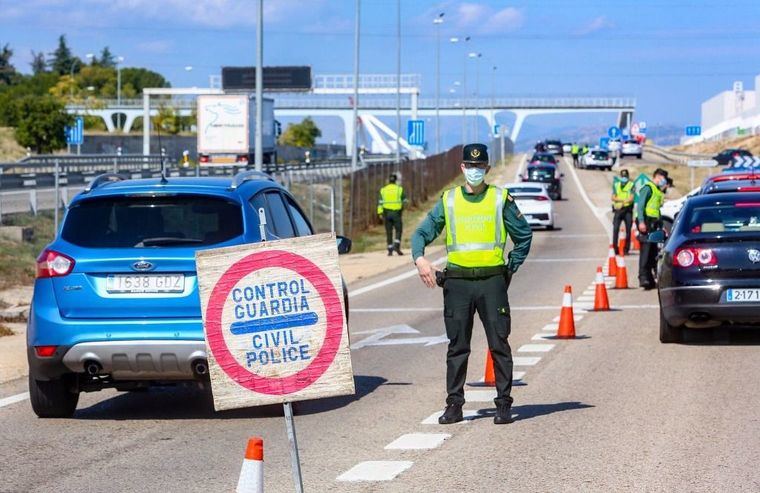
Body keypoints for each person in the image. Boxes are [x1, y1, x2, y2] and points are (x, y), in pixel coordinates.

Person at [411, 143, 533, 425]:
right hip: (458, 284)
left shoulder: (500, 198)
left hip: (492, 282)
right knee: (457, 347)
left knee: (499, 344)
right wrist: (419, 259)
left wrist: (509, 269)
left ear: (487, 169)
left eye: (480, 167)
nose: (475, 171)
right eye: (470, 166)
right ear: (462, 168)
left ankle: (503, 404)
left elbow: (524, 236)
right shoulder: (449, 200)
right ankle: (454, 404)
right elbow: (421, 233)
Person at [637, 168, 672, 289]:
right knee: (646, 251)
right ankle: (643, 278)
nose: (663, 181)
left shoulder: (657, 190)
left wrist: (662, 226)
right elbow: (640, 206)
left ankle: (650, 279)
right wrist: (641, 222)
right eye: (663, 178)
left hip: (654, 223)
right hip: (646, 222)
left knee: (653, 252)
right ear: (657, 176)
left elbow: (657, 210)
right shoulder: (648, 188)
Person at [377, 174, 406, 256]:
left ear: (388, 180)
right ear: (395, 180)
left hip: (386, 213)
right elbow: (404, 200)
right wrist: (402, 207)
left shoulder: (383, 190)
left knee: (388, 231)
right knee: (398, 230)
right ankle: (396, 245)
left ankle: (390, 250)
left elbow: (380, 203)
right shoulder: (399, 189)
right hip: (396, 213)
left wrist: (380, 213)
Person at [611, 169, 634, 255]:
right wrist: (623, 200)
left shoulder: (631, 185)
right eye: (623, 176)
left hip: (628, 210)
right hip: (618, 210)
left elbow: (631, 198)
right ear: (620, 177)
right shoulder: (616, 185)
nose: (624, 178)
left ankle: (626, 249)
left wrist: (622, 202)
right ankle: (615, 248)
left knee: (628, 230)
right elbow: (613, 197)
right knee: (615, 229)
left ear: (628, 177)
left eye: (625, 177)